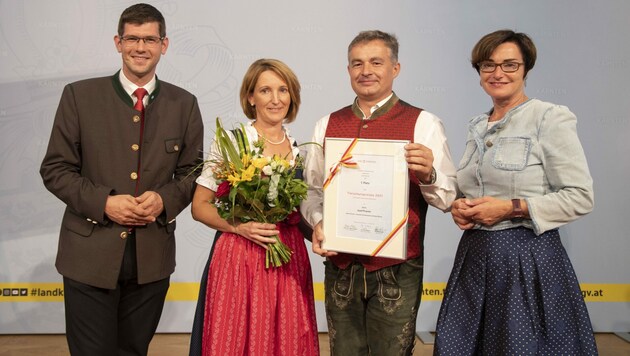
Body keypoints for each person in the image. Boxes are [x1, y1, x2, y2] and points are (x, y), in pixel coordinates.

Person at [39, 3, 204, 355]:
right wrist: (105, 203)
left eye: (149, 39)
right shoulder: (79, 96)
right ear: (118, 42)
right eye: (132, 38)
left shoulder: (184, 103)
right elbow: (55, 169)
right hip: (88, 255)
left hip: (152, 259)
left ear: (164, 44)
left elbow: (193, 172)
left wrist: (164, 199)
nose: (140, 47)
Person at [433, 29, 598, 355]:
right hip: (474, 257)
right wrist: (459, 206)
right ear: (479, 73)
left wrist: (511, 208)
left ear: (526, 69)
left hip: (528, 259)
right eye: (488, 65)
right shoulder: (477, 125)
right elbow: (471, 188)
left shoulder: (549, 117)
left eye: (509, 65)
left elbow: (580, 196)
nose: (498, 73)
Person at [301, 30, 458, 355]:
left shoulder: (423, 123)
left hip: (397, 271)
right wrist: (318, 221)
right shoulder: (326, 124)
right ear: (348, 71)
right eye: (357, 63)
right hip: (341, 267)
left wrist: (428, 173)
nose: (365, 71)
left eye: (376, 62)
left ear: (395, 68)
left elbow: (448, 198)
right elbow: (312, 192)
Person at [189, 58, 319, 356]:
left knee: (287, 340)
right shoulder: (233, 143)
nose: (276, 99)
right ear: (250, 97)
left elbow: (301, 214)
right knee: (235, 340)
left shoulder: (300, 151)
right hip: (239, 256)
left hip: (288, 257)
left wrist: (325, 234)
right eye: (265, 90)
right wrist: (239, 226)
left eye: (283, 90)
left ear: (292, 96)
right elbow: (200, 206)